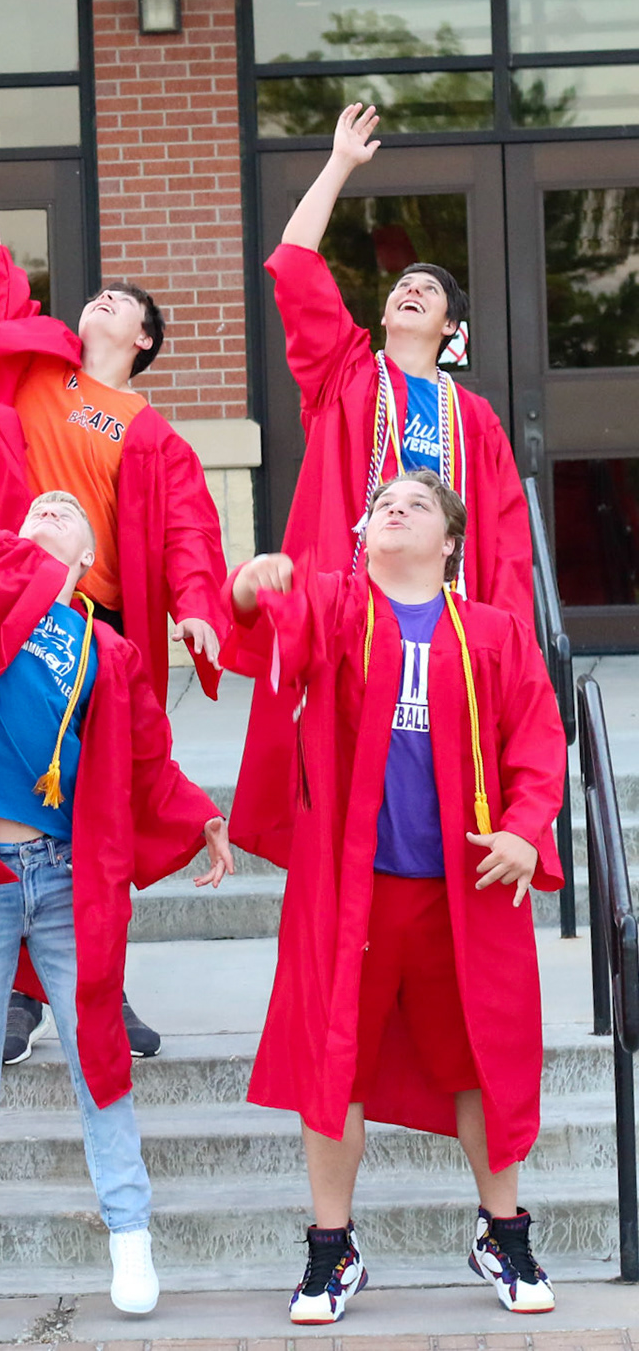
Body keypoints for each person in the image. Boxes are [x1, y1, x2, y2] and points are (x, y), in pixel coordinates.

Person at [0, 268, 234, 1328]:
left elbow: (146, 765)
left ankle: (130, 1230)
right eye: (35, 503)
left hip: (65, 876)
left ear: (87, 556)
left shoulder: (109, 653)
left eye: (65, 510)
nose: (45, 503)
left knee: (97, 1054)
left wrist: (204, 815)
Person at [0, 87, 231, 1064]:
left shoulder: (152, 433)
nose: (101, 299)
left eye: (121, 303)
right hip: (8, 617)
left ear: (143, 338)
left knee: (97, 817)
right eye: (98, 293)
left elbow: (190, 535)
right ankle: (21, 997)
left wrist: (201, 611)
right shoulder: (37, 363)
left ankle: (100, 983)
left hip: (95, 633)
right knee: (10, 806)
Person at [224, 470, 565, 1325]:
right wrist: (251, 584)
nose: (395, 509)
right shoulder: (339, 608)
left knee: (484, 1059)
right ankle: (331, 1248)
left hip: (465, 892)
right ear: (364, 534)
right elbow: (267, 622)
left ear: (450, 542)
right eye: (383, 504)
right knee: (333, 1061)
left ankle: (504, 1232)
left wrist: (526, 829)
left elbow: (536, 738)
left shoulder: (494, 631)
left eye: (417, 505)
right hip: (353, 893)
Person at [231, 103, 534, 870]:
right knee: (345, 807)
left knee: (437, 800)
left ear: (451, 329)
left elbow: (505, 544)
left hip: (445, 628)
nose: (411, 289)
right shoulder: (348, 377)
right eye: (402, 284)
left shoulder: (476, 420)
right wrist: (339, 163)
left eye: (429, 290)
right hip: (353, 623)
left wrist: (512, 646)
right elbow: (295, 262)